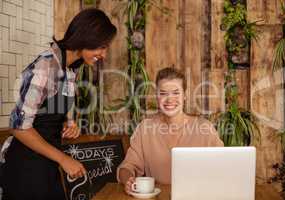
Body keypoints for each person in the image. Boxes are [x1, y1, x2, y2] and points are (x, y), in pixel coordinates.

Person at [1, 8, 117, 200]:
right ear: (86, 38)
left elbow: (48, 112)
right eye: (102, 47)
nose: (104, 54)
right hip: (26, 169)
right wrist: (64, 159)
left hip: (46, 164)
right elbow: (18, 127)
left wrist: (68, 123)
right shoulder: (45, 66)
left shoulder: (71, 69)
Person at [117, 67, 224, 194]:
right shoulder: (145, 129)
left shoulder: (205, 129)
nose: (169, 99)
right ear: (157, 96)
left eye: (176, 92)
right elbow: (127, 167)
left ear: (184, 95)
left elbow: (223, 166)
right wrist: (128, 180)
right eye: (163, 93)